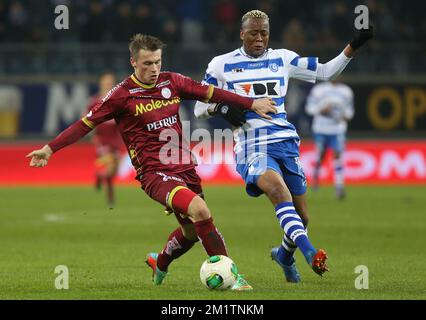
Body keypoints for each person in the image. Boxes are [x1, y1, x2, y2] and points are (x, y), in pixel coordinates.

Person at [26, 34, 277, 291]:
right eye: (147, 63)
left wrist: (251, 103)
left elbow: (212, 93)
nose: (154, 69)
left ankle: (161, 262)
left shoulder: (173, 82)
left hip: (185, 167)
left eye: (157, 62)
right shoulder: (121, 96)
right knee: (201, 210)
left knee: (191, 233)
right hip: (154, 174)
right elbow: (84, 124)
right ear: (133, 62)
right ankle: (233, 277)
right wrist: (49, 148)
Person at [194, 10, 373, 282]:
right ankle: (310, 252)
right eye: (253, 33)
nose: (259, 38)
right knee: (278, 190)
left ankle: (284, 255)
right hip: (251, 145)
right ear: (242, 33)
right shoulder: (221, 65)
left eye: (264, 33)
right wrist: (220, 107)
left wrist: (353, 46)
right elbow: (198, 107)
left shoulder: (284, 59)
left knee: (302, 217)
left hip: (286, 144)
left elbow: (325, 71)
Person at [305, 79, 354, 199]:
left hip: (337, 129)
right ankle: (316, 177)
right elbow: (309, 108)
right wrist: (320, 110)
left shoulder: (346, 91)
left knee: (338, 155)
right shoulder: (319, 90)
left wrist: (345, 116)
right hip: (321, 128)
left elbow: (349, 111)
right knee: (321, 155)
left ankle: (339, 185)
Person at [87, 72, 124, 208]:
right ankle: (110, 196)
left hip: (115, 139)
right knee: (111, 166)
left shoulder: (117, 100)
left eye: (110, 80)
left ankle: (101, 176)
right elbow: (87, 120)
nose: (108, 83)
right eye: (106, 80)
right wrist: (93, 136)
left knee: (115, 170)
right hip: (102, 139)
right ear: (101, 82)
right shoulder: (94, 101)